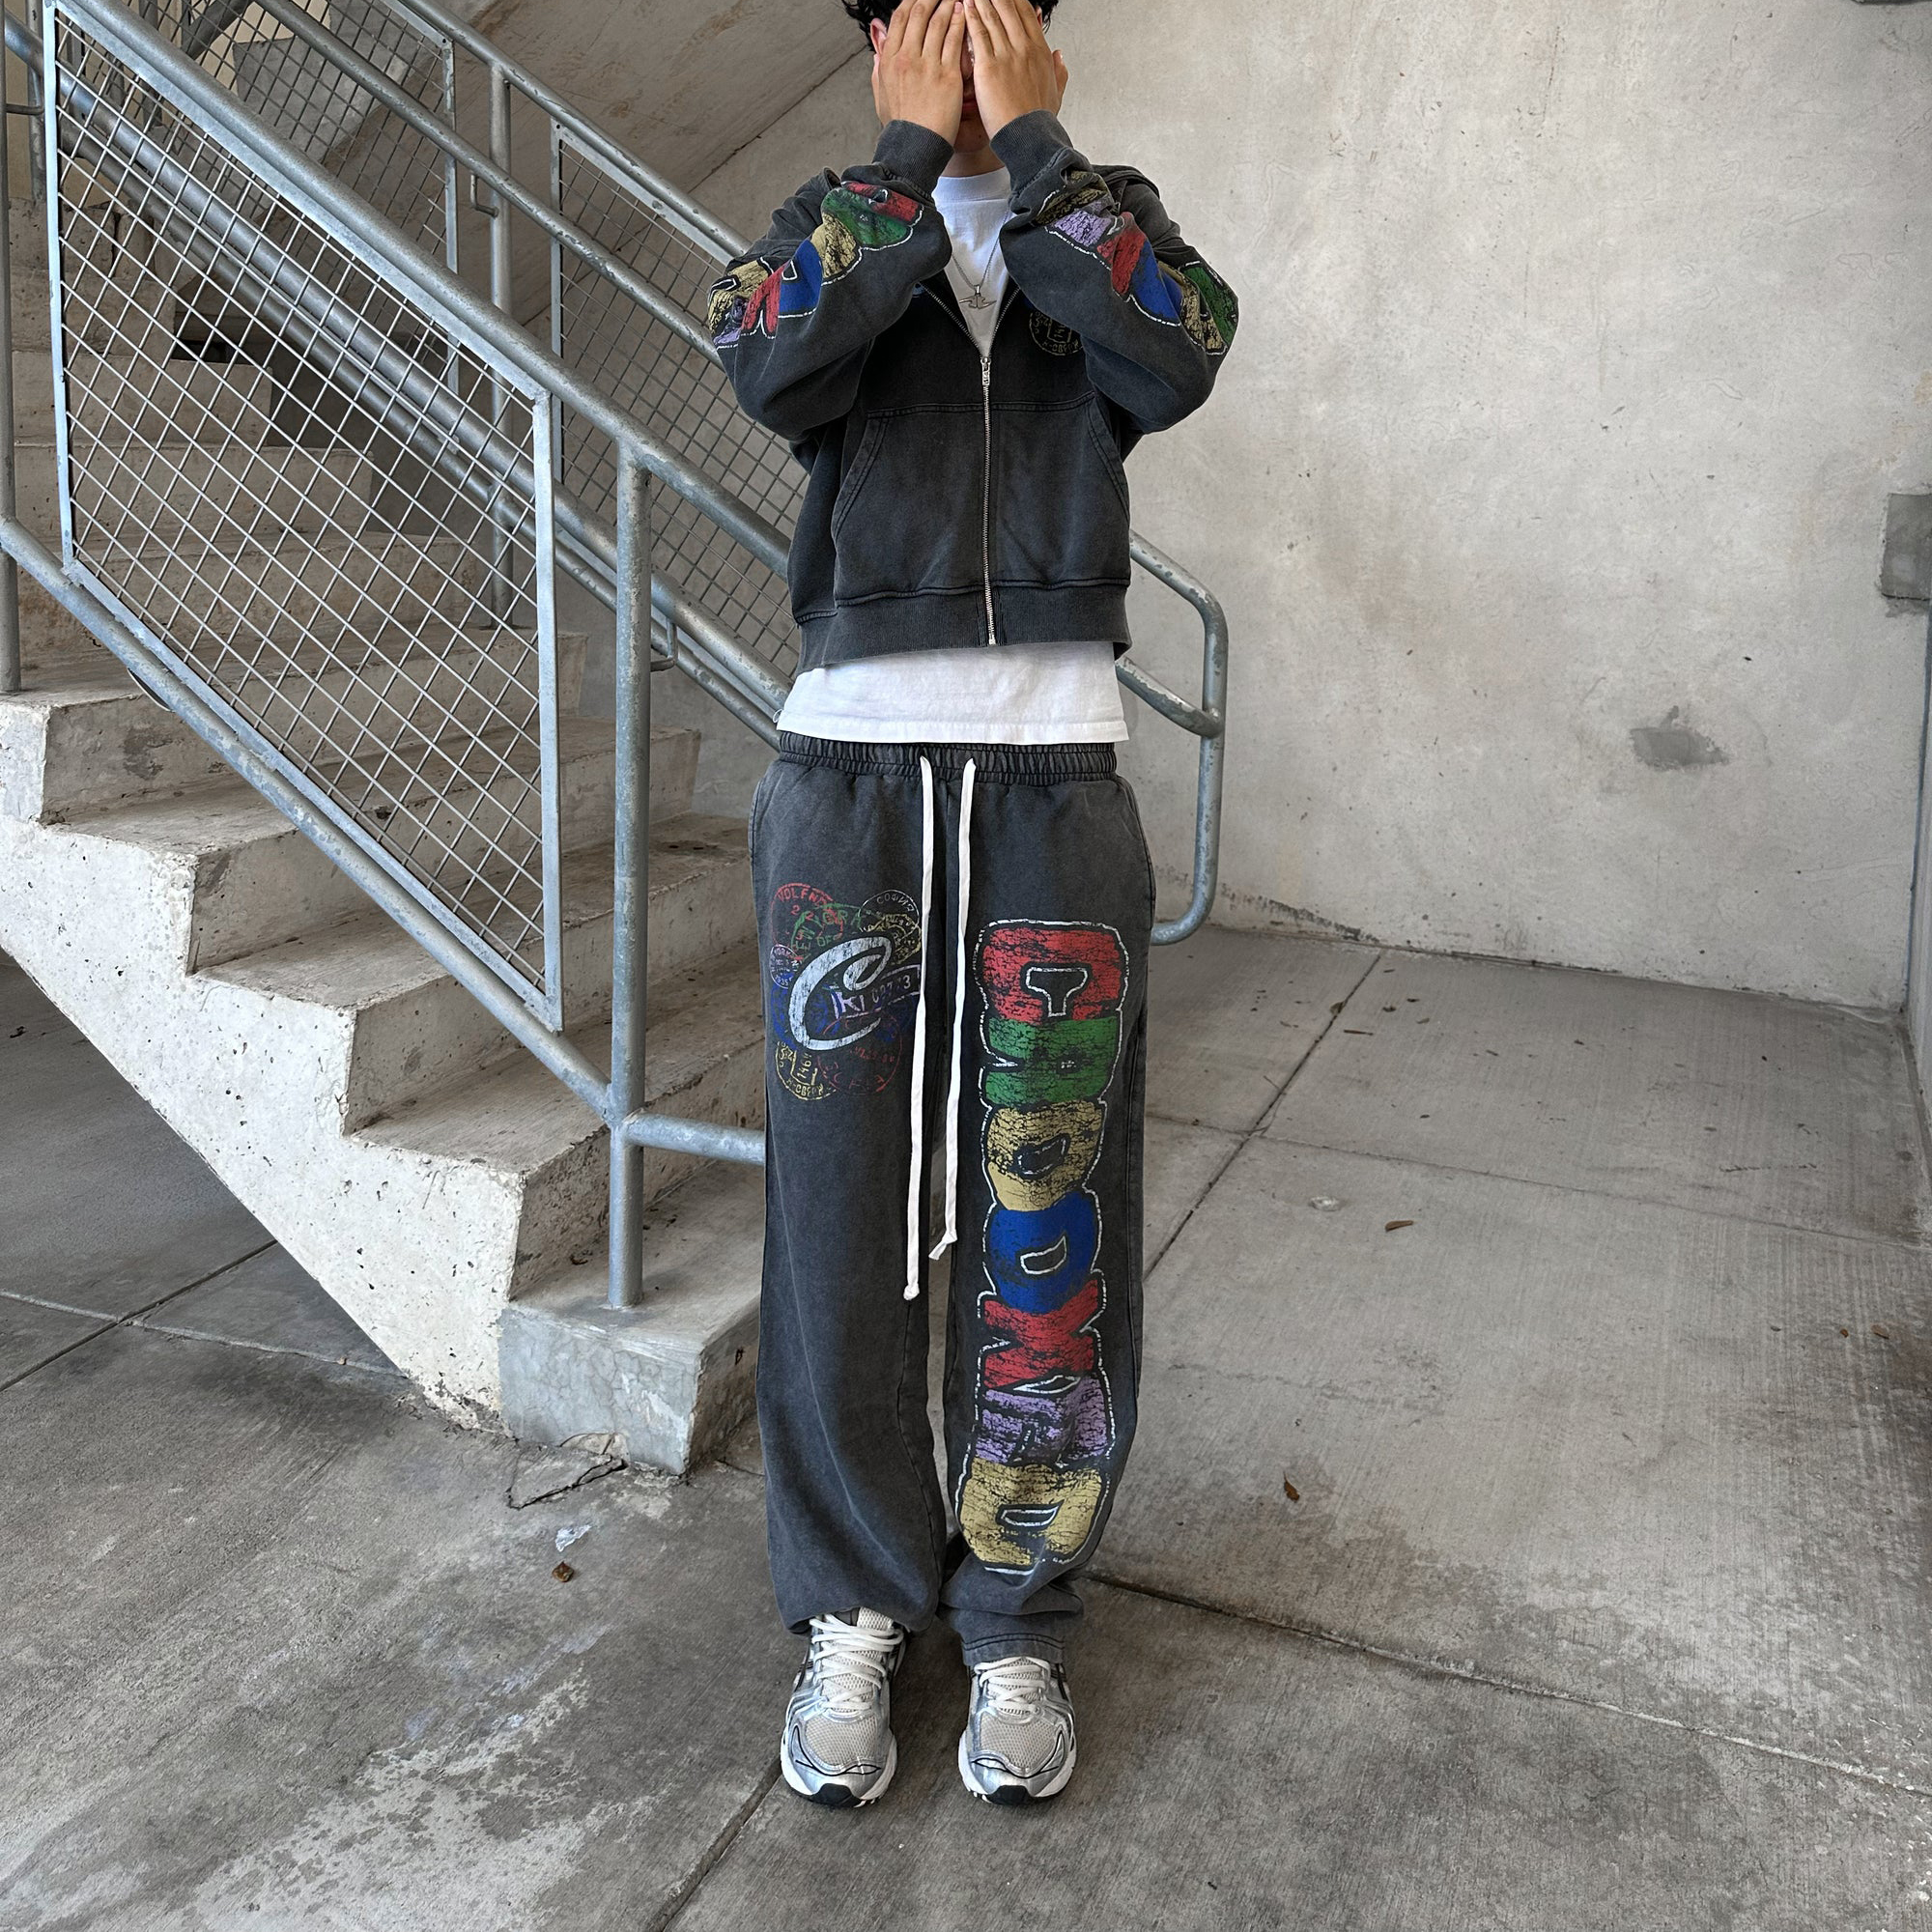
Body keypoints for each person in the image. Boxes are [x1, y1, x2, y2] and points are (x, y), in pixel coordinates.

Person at [705, 0, 1237, 1807]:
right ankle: (854, 1602)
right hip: (848, 778)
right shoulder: (832, 224)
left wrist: (1044, 158)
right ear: (877, 38)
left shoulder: (1109, 220)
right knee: (838, 1212)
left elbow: (1180, 353)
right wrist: (901, 163)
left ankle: (1016, 1605)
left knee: (1048, 1209)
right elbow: (769, 362)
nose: (959, 35)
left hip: (1054, 780)